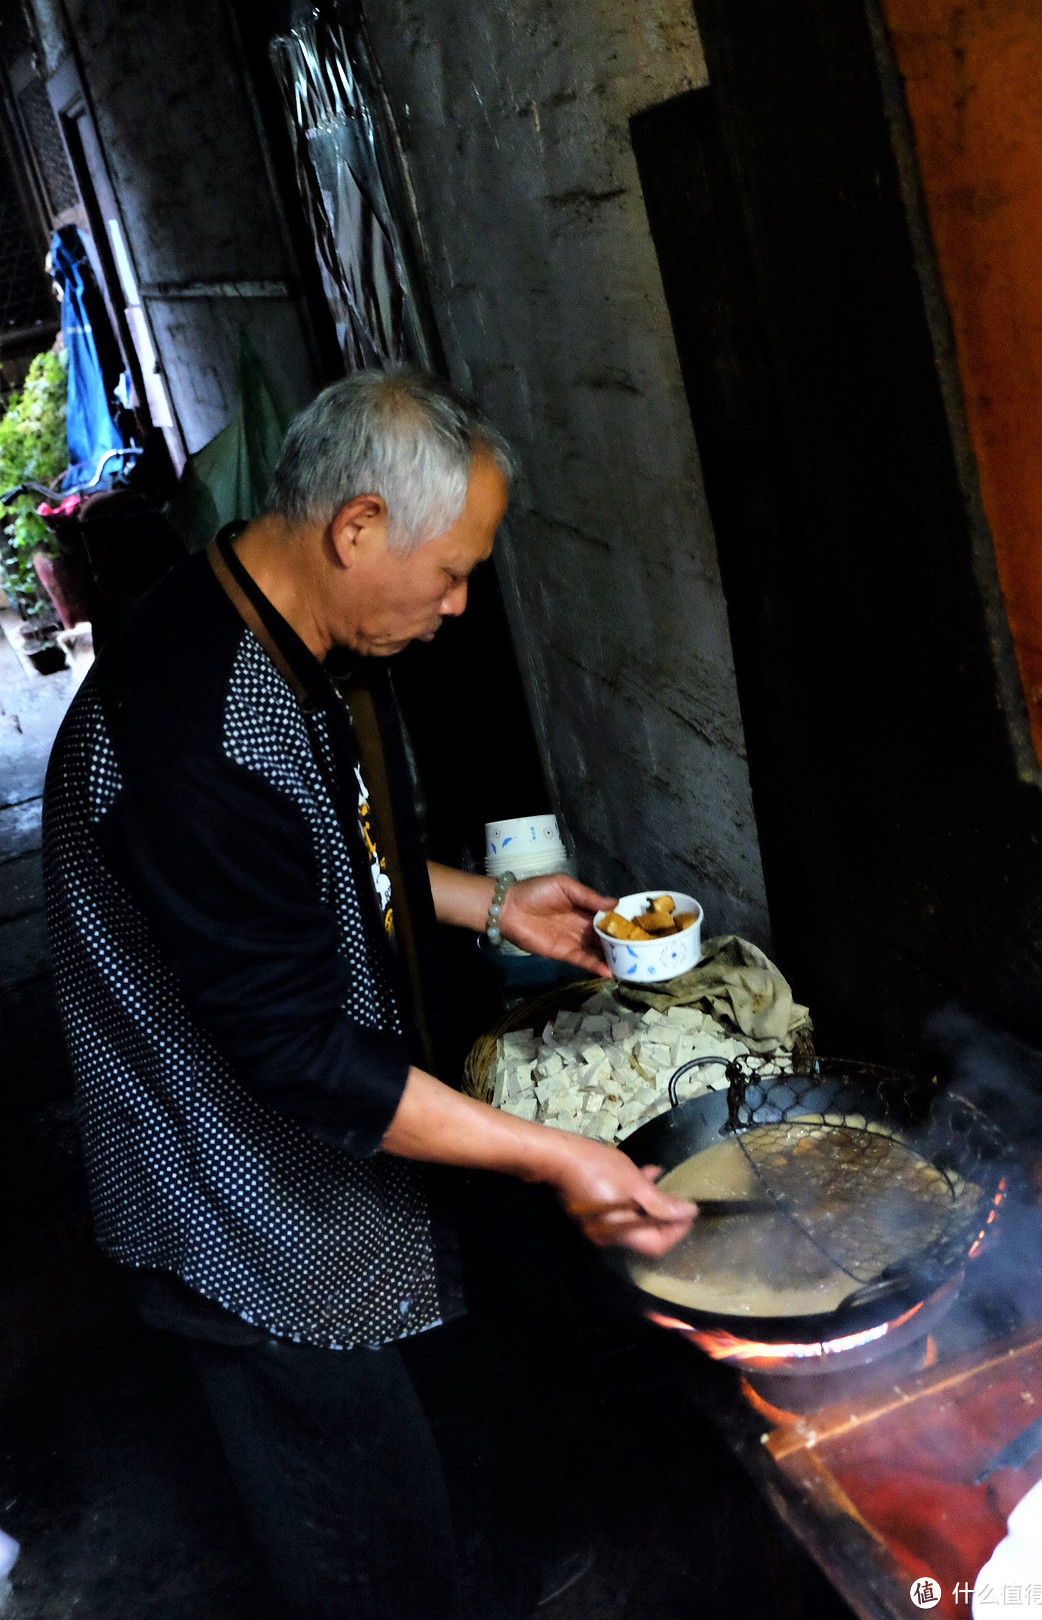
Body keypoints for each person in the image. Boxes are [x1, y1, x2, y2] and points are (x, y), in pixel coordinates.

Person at [42, 368, 695, 1619]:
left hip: (304, 1155)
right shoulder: (201, 729)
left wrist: (497, 905)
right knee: (356, 1531)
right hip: (236, 1209)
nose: (458, 606)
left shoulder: (264, 614)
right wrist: (556, 1157)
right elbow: (296, 1054)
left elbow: (326, 860)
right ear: (356, 528)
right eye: (450, 572)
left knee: (426, 1453)